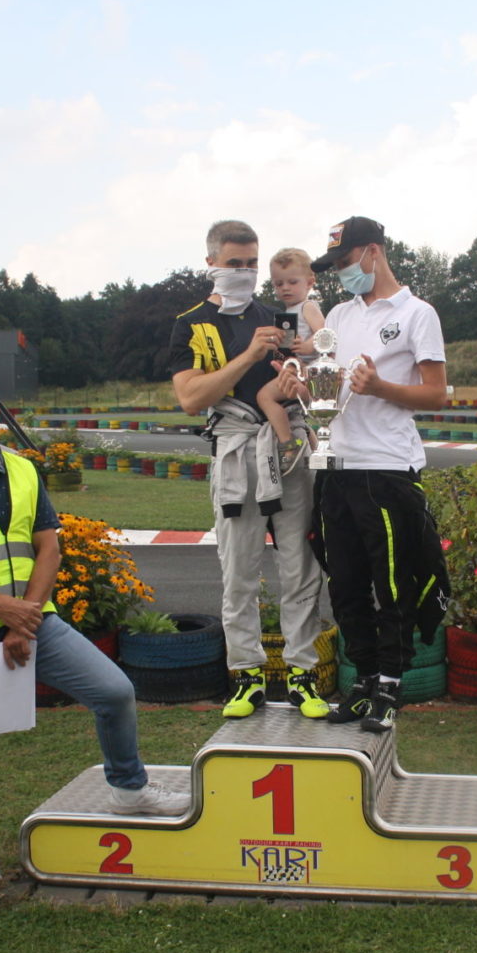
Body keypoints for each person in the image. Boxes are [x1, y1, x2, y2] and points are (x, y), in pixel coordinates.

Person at [0, 366, 189, 921]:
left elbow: (48, 549)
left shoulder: (24, 470)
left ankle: (129, 789)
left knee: (114, 691)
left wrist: (22, 620)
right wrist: (3, 611)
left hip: (32, 625)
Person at [280, 216, 450, 733]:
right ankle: (363, 681)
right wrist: (300, 386)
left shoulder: (417, 313)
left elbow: (436, 394)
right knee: (345, 585)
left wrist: (380, 388)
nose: (341, 272)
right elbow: (328, 386)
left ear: (373, 252)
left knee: (392, 585)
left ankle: (391, 686)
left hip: (388, 469)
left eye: (346, 261)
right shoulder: (338, 314)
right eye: (334, 265)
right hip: (338, 465)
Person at [167, 221, 327, 721]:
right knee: (238, 570)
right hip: (237, 452)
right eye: (234, 263)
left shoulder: (279, 316)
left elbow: (305, 376)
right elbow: (191, 399)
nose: (245, 271)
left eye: (252, 263)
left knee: (300, 566)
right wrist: (251, 355)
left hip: (287, 450)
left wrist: (298, 380)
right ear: (211, 262)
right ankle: (247, 675)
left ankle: (303, 673)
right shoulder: (191, 324)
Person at [254, 248, 324, 475]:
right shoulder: (285, 313)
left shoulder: (307, 306)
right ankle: (312, 447)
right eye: (278, 284)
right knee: (294, 411)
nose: (285, 288)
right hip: (294, 368)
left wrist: (307, 346)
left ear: (310, 282)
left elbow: (325, 334)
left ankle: (287, 443)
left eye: (292, 282)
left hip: (309, 370)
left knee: (264, 397)